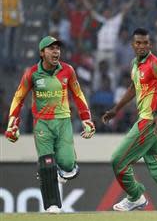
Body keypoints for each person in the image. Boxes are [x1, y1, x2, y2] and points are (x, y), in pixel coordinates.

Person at [4, 36, 96, 213]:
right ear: (41, 53)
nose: (56, 52)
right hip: (42, 124)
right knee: (46, 163)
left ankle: (64, 169)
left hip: (63, 123)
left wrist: (86, 119)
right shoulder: (32, 73)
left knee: (68, 166)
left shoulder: (68, 70)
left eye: (57, 48)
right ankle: (52, 205)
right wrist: (12, 124)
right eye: (51, 48)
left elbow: (78, 94)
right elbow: (18, 98)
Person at [102, 28, 157, 211]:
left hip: (150, 121)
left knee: (118, 160)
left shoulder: (156, 64)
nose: (141, 46)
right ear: (133, 45)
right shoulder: (136, 63)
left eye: (145, 43)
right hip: (151, 119)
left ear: (151, 44)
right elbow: (134, 88)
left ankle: (135, 197)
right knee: (154, 161)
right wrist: (116, 109)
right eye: (138, 43)